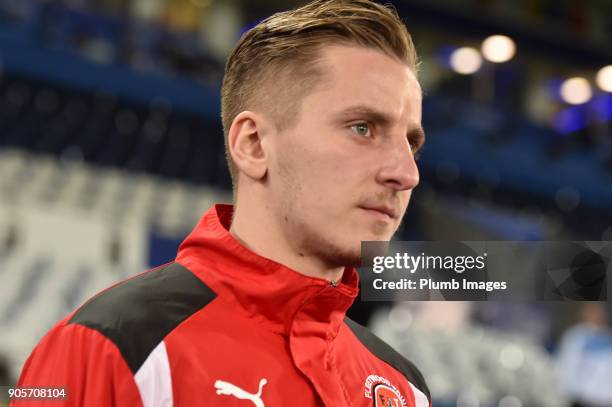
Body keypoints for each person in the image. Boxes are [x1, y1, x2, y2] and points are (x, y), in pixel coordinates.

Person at [14, 0, 430, 406]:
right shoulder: (109, 348)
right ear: (253, 145)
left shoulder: (403, 387)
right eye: (362, 128)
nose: (406, 173)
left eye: (411, 143)